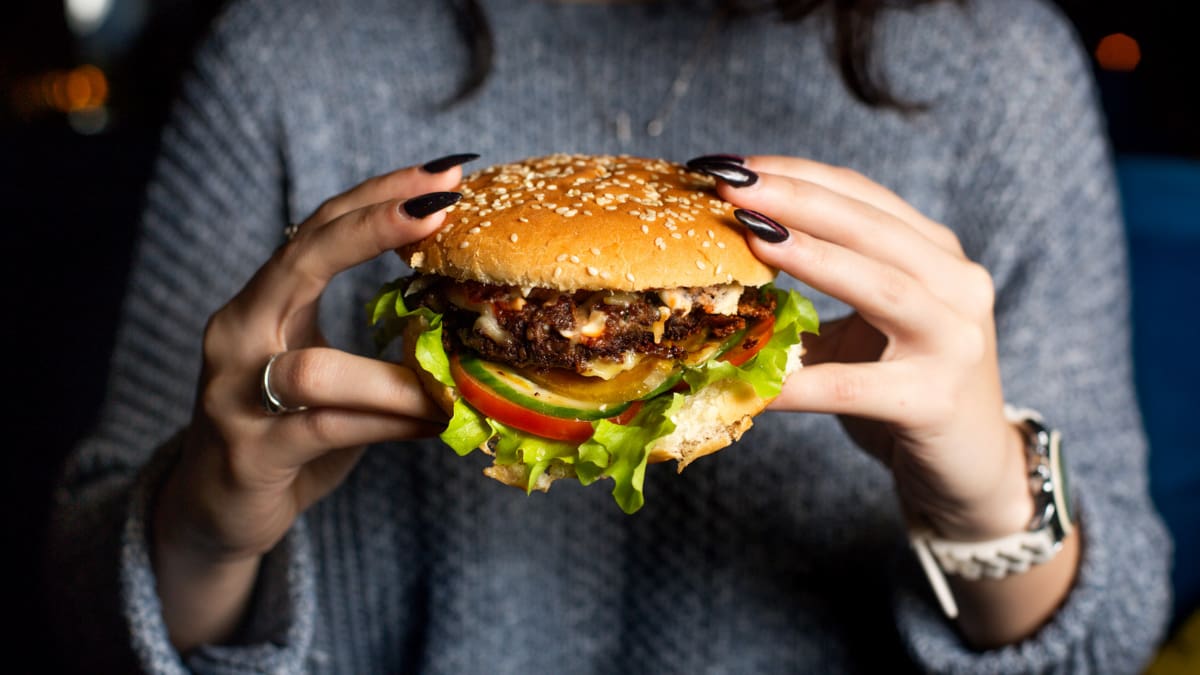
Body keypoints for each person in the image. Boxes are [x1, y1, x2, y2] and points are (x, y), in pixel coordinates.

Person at [46, 0, 1172, 672]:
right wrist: (202, 525)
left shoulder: (995, 63)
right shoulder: (287, 47)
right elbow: (85, 618)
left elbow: (1110, 641)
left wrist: (986, 507)